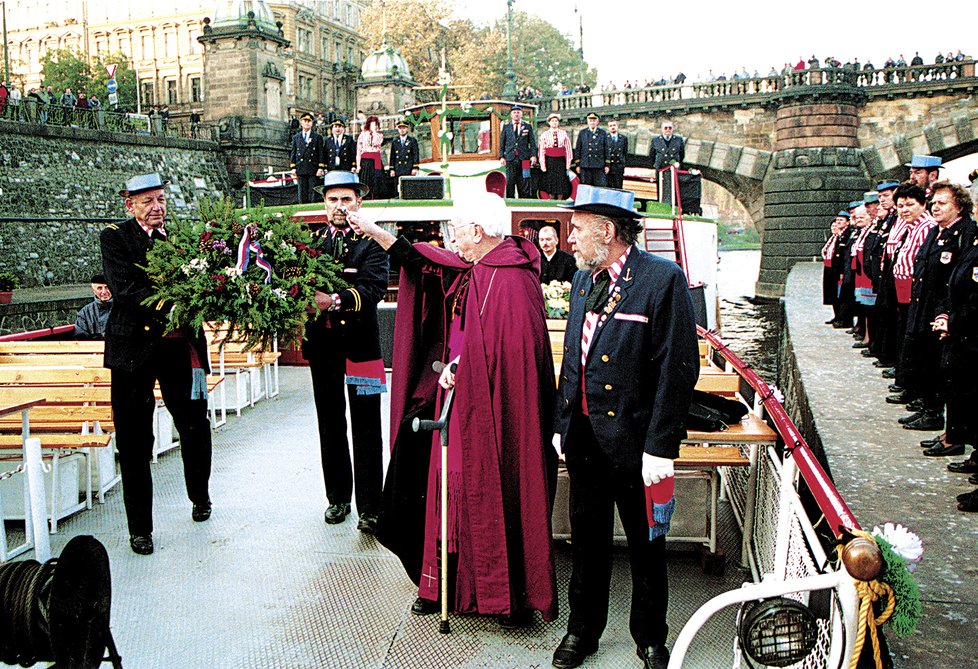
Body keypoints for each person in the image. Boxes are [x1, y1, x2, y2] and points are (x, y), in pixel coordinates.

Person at [356, 191, 558, 625]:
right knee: (440, 490)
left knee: (486, 491)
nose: (451, 238)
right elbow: (426, 264)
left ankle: (502, 595)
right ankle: (439, 584)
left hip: (492, 410)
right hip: (457, 399)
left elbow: (510, 351)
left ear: (478, 231)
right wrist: (376, 233)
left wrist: (461, 367)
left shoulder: (512, 279)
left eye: (456, 230)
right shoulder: (481, 266)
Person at [551, 185, 699, 669]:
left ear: (607, 231)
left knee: (647, 545)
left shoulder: (661, 279)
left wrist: (660, 446)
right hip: (586, 439)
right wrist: (561, 422)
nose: (569, 237)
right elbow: (575, 357)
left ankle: (651, 639)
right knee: (586, 541)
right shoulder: (582, 281)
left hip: (638, 445)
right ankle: (582, 632)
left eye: (576, 228)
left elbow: (677, 368)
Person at [100, 173, 214, 556]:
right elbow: (126, 289)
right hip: (134, 350)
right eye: (147, 201)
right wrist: (178, 302)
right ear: (129, 204)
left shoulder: (180, 239)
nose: (157, 207)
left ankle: (201, 496)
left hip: (180, 348)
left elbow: (203, 281)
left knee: (196, 424)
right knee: (134, 440)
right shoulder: (115, 238)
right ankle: (140, 529)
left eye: (161, 199)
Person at [302, 170, 388, 533]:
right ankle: (337, 498)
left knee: (367, 425)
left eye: (347, 199)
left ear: (359, 203)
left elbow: (373, 290)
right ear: (325, 204)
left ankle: (370, 507)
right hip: (322, 349)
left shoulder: (371, 242)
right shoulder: (311, 241)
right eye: (333, 200)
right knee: (330, 422)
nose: (340, 207)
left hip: (362, 349)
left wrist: (332, 300)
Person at [910, 181, 977, 445]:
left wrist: (951, 319)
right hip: (940, 313)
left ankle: (954, 435)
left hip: (962, 325)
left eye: (942, 203)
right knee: (947, 377)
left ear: (959, 206)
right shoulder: (937, 232)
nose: (935, 207)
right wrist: (942, 314)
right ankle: (951, 432)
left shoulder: (966, 233)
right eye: (933, 203)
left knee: (959, 384)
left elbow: (964, 288)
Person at [499, 105, 538, 198]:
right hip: (510, 158)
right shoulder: (506, 127)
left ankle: (524, 204)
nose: (516, 114)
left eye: (518, 112)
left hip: (524, 158)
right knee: (510, 182)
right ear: (511, 115)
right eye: (514, 112)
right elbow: (502, 142)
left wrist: (533, 155)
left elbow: (532, 142)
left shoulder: (527, 126)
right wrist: (501, 156)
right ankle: (511, 203)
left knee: (524, 181)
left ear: (521, 114)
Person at [290, 111, 326, 204]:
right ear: (301, 123)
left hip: (313, 167)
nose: (306, 123)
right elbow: (293, 153)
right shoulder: (296, 137)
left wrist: (320, 167)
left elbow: (321, 153)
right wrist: (293, 168)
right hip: (300, 167)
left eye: (309, 121)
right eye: (304, 121)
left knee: (312, 191)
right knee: (302, 192)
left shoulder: (317, 137)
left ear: (311, 123)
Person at [538, 113, 573, 200]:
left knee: (561, 181)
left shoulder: (564, 134)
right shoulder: (544, 134)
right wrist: (543, 164)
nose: (554, 123)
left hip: (560, 161)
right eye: (552, 121)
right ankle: (551, 199)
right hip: (550, 161)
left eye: (556, 121)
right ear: (549, 122)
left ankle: (560, 199)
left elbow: (568, 149)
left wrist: (568, 163)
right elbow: (541, 150)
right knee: (551, 181)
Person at [573, 112, 609, 187]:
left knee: (600, 188)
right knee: (586, 187)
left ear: (597, 121)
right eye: (590, 120)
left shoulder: (603, 133)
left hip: (599, 165)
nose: (592, 122)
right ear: (587, 121)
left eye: (594, 120)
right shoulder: (582, 133)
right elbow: (578, 149)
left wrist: (607, 165)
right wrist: (578, 164)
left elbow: (606, 150)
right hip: (586, 165)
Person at [73, 273, 113, 340]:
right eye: (99, 288)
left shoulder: (123, 309)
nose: (104, 292)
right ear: (94, 291)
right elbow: (79, 337)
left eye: (107, 287)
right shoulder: (85, 312)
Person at [355, 115, 385, 200]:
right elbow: (359, 150)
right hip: (366, 160)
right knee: (366, 179)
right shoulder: (362, 135)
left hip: (376, 159)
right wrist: (358, 165)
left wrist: (374, 132)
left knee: (377, 180)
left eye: (375, 125)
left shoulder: (379, 135)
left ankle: (376, 195)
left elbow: (376, 143)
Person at [387, 119, 419, 194]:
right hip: (398, 168)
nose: (402, 130)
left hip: (408, 167)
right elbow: (392, 156)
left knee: (408, 187)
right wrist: (392, 169)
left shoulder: (412, 141)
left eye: (403, 128)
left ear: (407, 129)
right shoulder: (395, 141)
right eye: (400, 128)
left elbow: (415, 155)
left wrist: (415, 168)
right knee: (398, 187)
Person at [605, 119, 628, 190]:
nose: (612, 127)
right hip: (608, 167)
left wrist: (623, 164)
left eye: (614, 125)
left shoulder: (623, 138)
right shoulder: (605, 138)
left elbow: (625, 153)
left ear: (617, 126)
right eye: (610, 126)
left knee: (618, 188)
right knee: (608, 188)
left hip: (618, 167)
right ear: (608, 128)